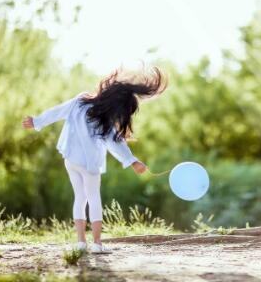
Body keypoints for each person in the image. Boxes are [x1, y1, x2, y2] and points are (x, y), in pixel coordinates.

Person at [22, 67, 167, 253]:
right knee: (93, 198)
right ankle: (97, 244)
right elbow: (116, 144)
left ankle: (81, 242)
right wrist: (132, 161)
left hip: (71, 160)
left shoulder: (80, 101)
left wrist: (37, 121)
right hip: (89, 165)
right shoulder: (105, 119)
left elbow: (58, 111)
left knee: (79, 198)